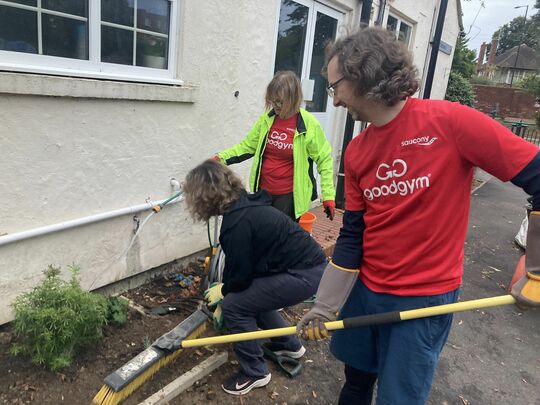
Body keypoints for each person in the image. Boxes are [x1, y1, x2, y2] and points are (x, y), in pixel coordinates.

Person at [297, 26, 540, 405]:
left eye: (335, 87)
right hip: (367, 290)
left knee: (399, 399)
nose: (335, 100)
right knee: (356, 382)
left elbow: (537, 175)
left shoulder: (451, 122)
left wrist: (536, 268)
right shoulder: (357, 151)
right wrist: (324, 306)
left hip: (423, 300)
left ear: (363, 74)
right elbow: (353, 236)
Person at [182, 159, 327, 395]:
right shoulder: (245, 206)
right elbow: (242, 266)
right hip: (309, 268)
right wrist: (228, 286)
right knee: (252, 298)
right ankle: (289, 345)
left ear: (204, 196)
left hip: (303, 274)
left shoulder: (237, 223)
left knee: (235, 306)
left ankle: (256, 372)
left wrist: (225, 294)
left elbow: (240, 279)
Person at [213, 70, 336, 221]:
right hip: (263, 192)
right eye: (272, 101)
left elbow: (324, 160)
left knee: (279, 240)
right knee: (261, 236)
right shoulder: (267, 120)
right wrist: (220, 158)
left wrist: (328, 196)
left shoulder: (309, 125)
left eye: (280, 101)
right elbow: (247, 147)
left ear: (293, 99)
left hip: (288, 197)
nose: (275, 106)